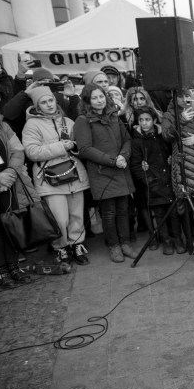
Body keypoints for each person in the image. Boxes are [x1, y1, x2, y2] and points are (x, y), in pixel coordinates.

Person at [22, 86, 90, 265]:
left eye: (51, 100)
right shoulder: (31, 125)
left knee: (76, 215)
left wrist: (75, 147)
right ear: (37, 106)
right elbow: (31, 152)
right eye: (43, 102)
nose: (49, 104)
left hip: (73, 173)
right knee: (60, 218)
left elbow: (80, 145)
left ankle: (77, 244)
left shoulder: (67, 121)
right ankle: (60, 248)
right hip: (49, 178)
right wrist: (62, 146)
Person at [73, 83, 137, 263]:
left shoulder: (114, 116)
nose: (99, 100)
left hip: (120, 168)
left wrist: (123, 156)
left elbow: (127, 140)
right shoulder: (83, 121)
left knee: (123, 210)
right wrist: (112, 160)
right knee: (109, 212)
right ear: (87, 100)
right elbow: (85, 149)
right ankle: (114, 246)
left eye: (101, 96)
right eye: (94, 98)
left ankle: (125, 243)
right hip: (102, 172)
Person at [160, 88, 194, 254]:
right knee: (185, 201)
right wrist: (181, 121)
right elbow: (167, 136)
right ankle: (191, 241)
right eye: (181, 96)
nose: (185, 100)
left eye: (187, 96)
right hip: (182, 163)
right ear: (174, 97)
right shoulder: (169, 114)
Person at [130, 107, 185, 255]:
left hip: (168, 180)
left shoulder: (162, 137)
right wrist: (149, 180)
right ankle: (166, 240)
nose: (144, 123)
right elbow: (136, 166)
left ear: (154, 120)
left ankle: (177, 239)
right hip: (153, 184)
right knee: (159, 214)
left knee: (173, 213)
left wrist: (172, 162)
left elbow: (171, 153)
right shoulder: (137, 141)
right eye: (141, 120)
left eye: (147, 119)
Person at [0, 119, 33, 288]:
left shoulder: (2, 126)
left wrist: (10, 172)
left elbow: (18, 151)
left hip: (8, 184)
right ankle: (0, 271)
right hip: (0, 179)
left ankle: (13, 266)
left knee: (10, 224)